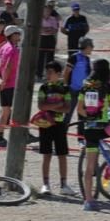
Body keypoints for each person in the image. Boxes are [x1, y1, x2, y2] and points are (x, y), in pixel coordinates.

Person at [76, 59, 110, 211]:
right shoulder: (108, 87)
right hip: (106, 129)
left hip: (90, 130)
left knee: (90, 166)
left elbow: (79, 109)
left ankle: (88, 200)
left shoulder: (86, 86)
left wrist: (89, 117)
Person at [35, 61, 75, 196]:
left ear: (58, 74)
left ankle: (64, 184)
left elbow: (67, 108)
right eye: (47, 72)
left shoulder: (65, 89)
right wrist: (58, 104)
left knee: (62, 155)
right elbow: (41, 106)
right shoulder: (43, 88)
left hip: (59, 124)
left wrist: (50, 105)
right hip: (45, 124)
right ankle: (45, 184)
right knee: (46, 155)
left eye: (50, 72)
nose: (47, 75)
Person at [0, 25, 22, 148]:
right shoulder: (13, 50)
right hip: (11, 84)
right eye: (17, 34)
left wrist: (0, 80)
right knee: (17, 111)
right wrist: (4, 81)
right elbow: (9, 67)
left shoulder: (2, 48)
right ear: (12, 35)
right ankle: (20, 135)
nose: (19, 36)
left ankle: (0, 137)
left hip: (4, 83)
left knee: (5, 111)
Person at [63, 37, 93, 122]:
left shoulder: (87, 59)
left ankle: (80, 133)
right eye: (92, 46)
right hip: (72, 89)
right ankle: (62, 133)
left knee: (82, 114)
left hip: (83, 91)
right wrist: (65, 85)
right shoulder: (74, 57)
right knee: (68, 114)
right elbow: (66, 72)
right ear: (87, 46)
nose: (92, 48)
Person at [37, 0, 60, 79]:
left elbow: (55, 29)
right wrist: (46, 29)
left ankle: (49, 75)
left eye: (48, 11)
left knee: (50, 58)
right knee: (40, 57)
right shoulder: (39, 19)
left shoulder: (53, 19)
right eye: (45, 11)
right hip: (42, 38)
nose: (47, 12)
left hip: (50, 38)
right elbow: (38, 29)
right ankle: (39, 74)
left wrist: (47, 29)